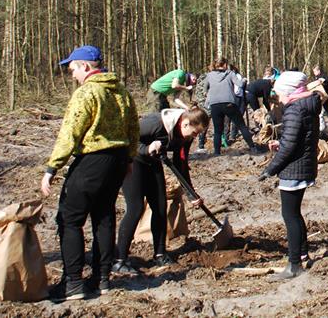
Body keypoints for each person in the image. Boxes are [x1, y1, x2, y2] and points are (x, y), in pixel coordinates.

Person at [41, 45, 140, 301]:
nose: (71, 74)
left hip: (92, 161)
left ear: (85, 66)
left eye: (72, 68)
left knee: (70, 219)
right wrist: (128, 159)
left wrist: (53, 167)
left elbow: (70, 131)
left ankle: (73, 282)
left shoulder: (87, 93)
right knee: (104, 217)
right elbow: (133, 128)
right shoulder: (121, 91)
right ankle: (102, 278)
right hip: (118, 161)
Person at [113, 107, 210, 273]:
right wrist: (147, 148)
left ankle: (160, 254)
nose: (194, 138)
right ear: (185, 123)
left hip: (153, 163)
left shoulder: (185, 136)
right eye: (194, 133)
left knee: (160, 207)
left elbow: (181, 164)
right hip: (132, 163)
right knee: (135, 209)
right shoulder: (155, 123)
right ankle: (119, 259)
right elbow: (126, 138)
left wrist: (191, 194)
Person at [258, 71, 326, 281]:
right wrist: (282, 143)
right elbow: (299, 137)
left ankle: (294, 265)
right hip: (302, 164)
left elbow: (289, 147)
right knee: (294, 213)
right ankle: (303, 253)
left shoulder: (295, 109)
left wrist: (271, 169)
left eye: (278, 92)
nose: (277, 96)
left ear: (287, 91)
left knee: (290, 215)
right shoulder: (307, 105)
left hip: (294, 167)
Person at [201, 58, 264, 156]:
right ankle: (253, 148)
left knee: (217, 130)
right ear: (225, 64)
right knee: (242, 126)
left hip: (215, 105)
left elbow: (205, 90)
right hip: (229, 103)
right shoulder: (230, 73)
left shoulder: (209, 75)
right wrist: (244, 80)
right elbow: (240, 84)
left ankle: (217, 153)